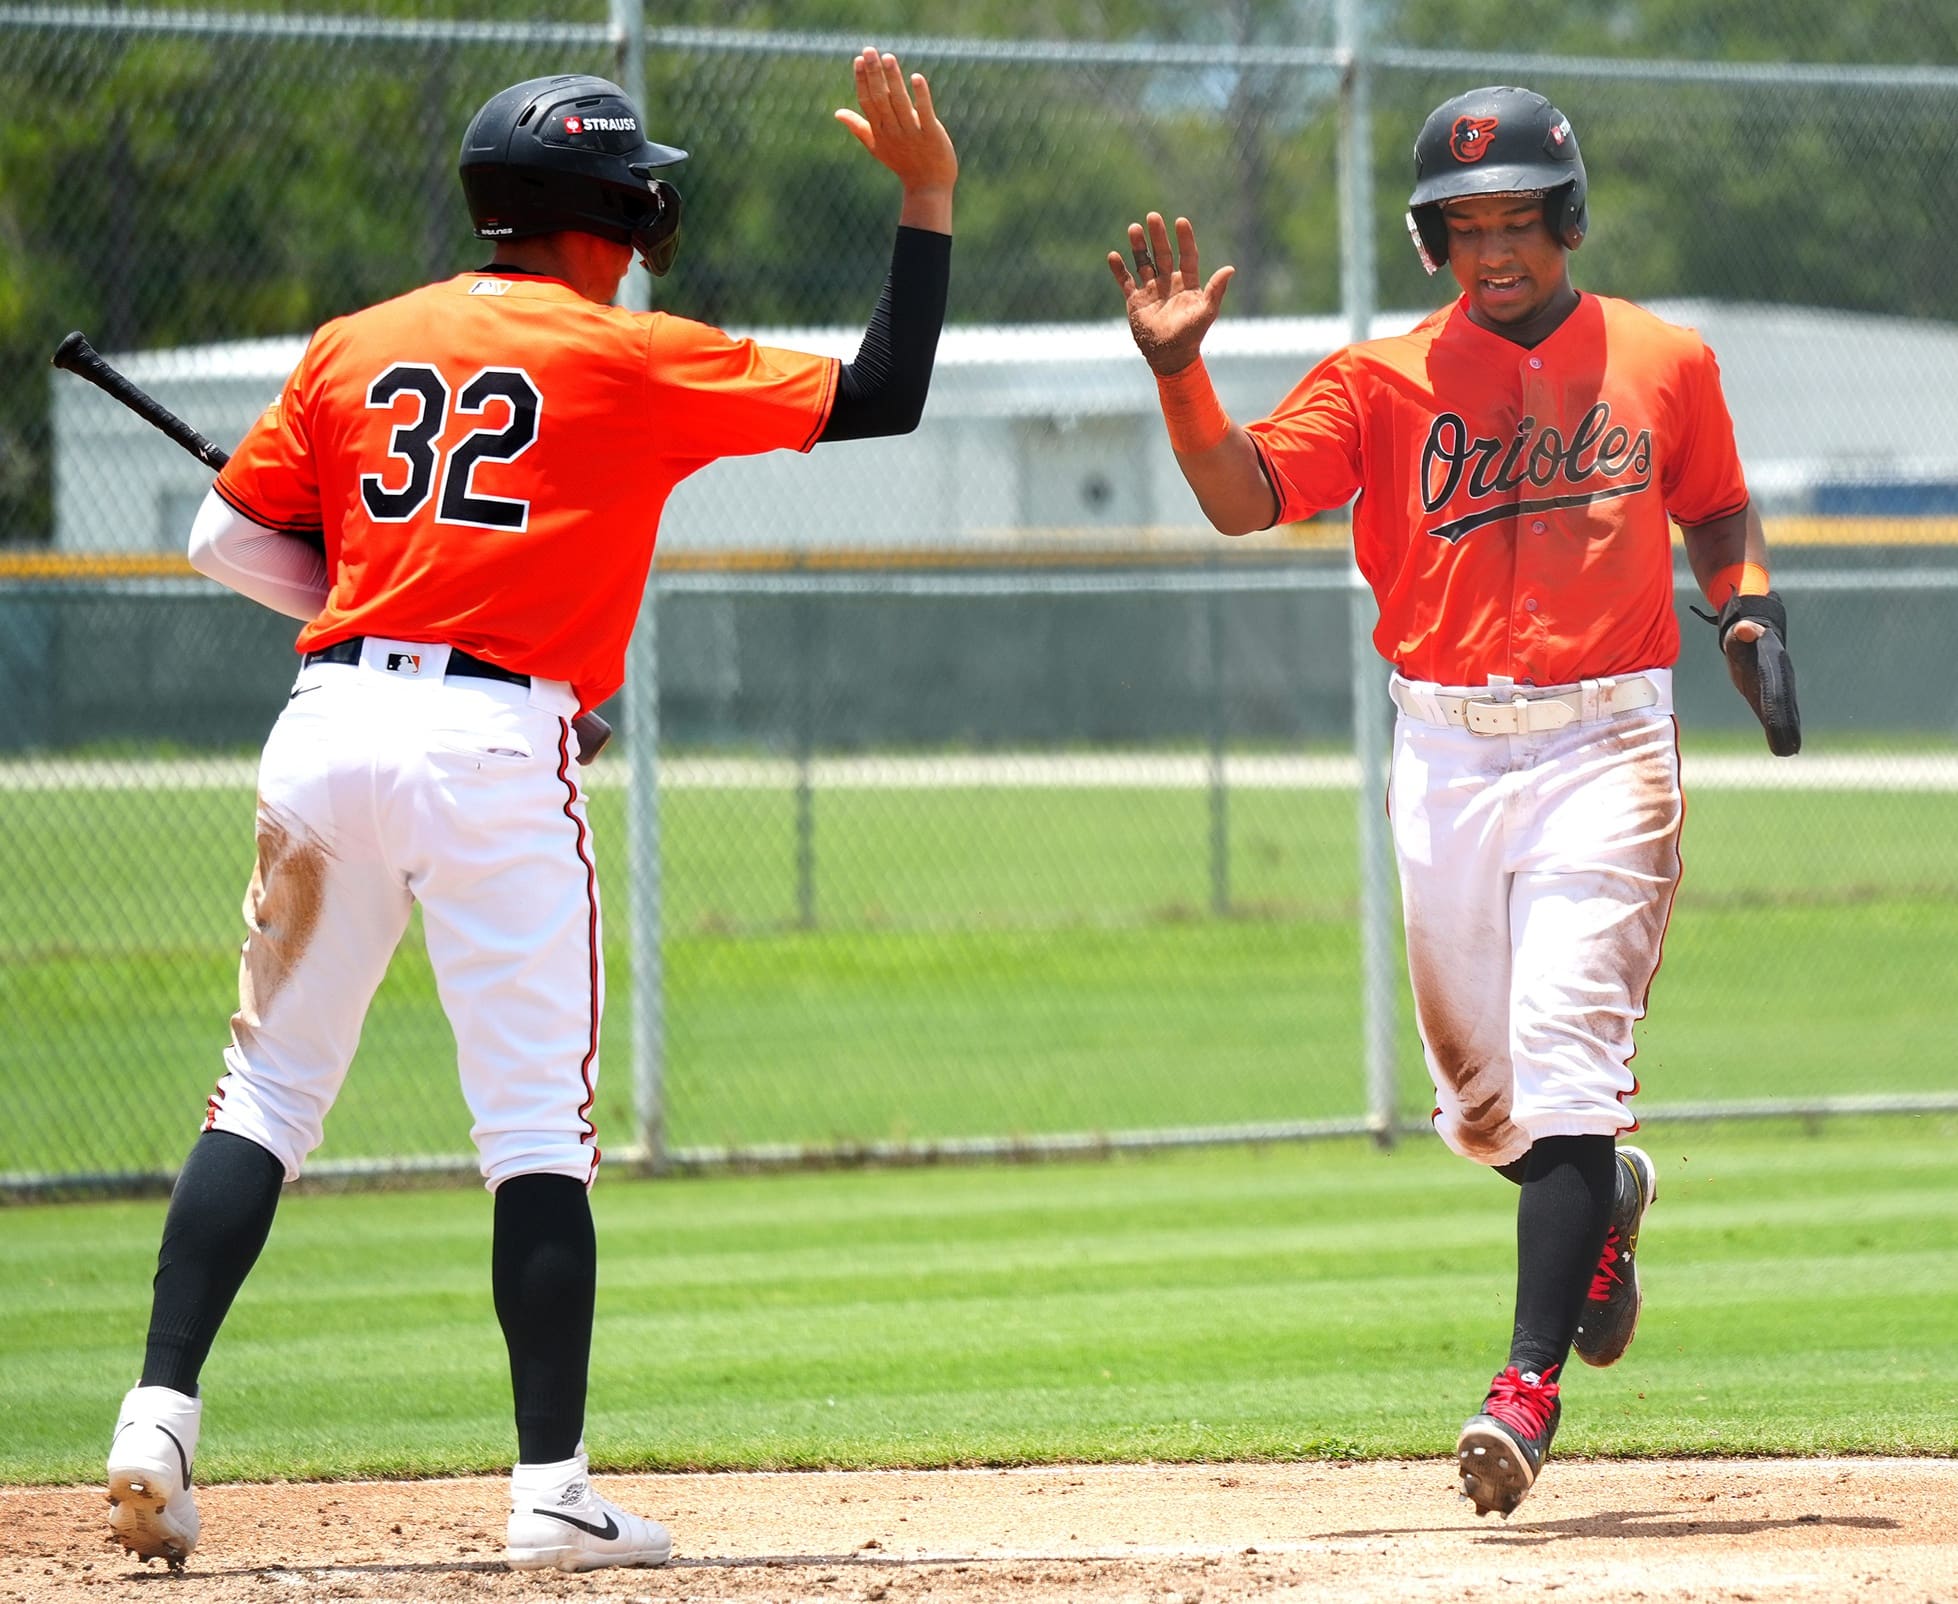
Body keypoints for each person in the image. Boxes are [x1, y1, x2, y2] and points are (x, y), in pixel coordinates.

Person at [105, 48, 956, 1573]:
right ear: (605, 216)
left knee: (266, 1097)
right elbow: (883, 394)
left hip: (327, 725)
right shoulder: (629, 357)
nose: (645, 235)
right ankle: (550, 1489)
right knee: (532, 1131)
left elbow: (219, 541)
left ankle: (155, 1414)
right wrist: (926, 193)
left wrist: (378, 615)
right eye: (638, 207)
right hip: (493, 752)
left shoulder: (356, 342)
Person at [1109, 85, 1798, 1517]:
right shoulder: (1379, 381)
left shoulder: (1664, 359)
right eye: (1464, 225)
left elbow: (1714, 506)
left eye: (1520, 221)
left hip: (1605, 744)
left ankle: (1522, 1391)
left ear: (1566, 218)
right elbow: (1242, 500)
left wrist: (1742, 610)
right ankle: (1597, 1201)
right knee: (1486, 1113)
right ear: (1431, 239)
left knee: (1562, 1068)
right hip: (1442, 750)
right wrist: (1181, 379)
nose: (1495, 250)